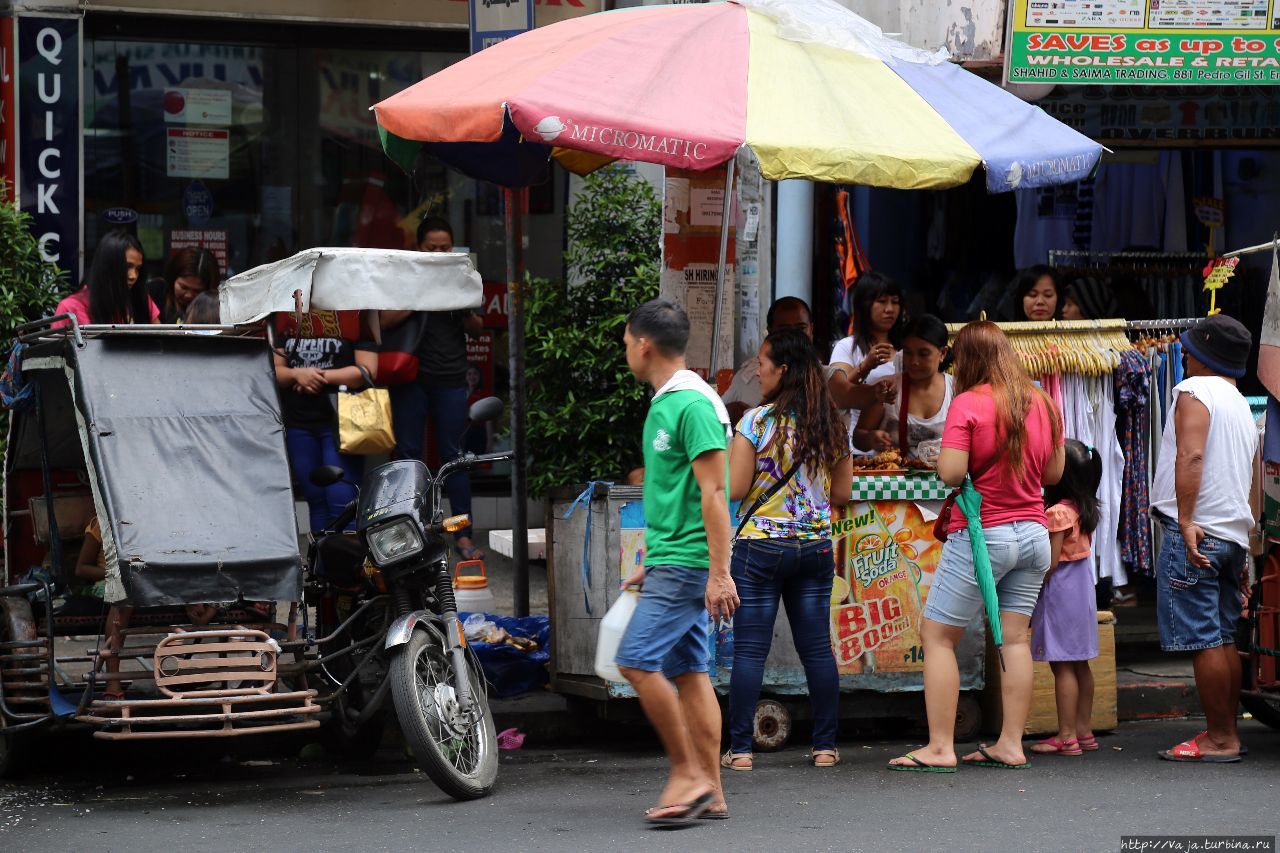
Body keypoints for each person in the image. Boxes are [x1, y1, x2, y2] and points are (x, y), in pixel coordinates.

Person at [888, 321, 1064, 772]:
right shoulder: (1042, 400)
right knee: (1015, 639)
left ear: (964, 359)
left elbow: (949, 473)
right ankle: (1010, 744)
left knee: (939, 636)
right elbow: (1053, 475)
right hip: (1034, 533)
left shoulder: (968, 402)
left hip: (984, 535)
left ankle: (941, 748)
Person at [616, 298, 738, 826]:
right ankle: (710, 790)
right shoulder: (666, 402)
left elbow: (716, 494)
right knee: (690, 673)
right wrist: (654, 559)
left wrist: (718, 572)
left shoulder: (691, 404)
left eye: (626, 343)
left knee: (635, 661)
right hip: (676, 559)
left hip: (691, 563)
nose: (626, 352)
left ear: (644, 344)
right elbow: (679, 495)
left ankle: (688, 773)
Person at [723, 329, 851, 772]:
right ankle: (826, 748)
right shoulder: (832, 425)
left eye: (763, 361)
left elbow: (736, 488)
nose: (757, 369)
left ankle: (740, 751)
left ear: (784, 369)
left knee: (749, 652)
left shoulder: (755, 423)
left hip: (759, 549)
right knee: (817, 649)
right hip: (814, 548)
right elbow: (843, 490)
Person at [1151, 315, 1256, 763]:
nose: (1185, 356)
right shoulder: (1240, 405)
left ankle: (1218, 738)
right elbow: (1248, 478)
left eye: (1191, 349)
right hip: (1231, 534)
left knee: (1205, 638)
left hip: (1199, 531)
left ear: (1204, 354)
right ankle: (1227, 734)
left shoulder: (1193, 393)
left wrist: (1188, 519)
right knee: (1224, 635)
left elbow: (1191, 454)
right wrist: (1247, 543)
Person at [382, 216, 485, 561]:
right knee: (409, 457)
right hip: (409, 376)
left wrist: (458, 301)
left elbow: (477, 327)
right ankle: (408, 531)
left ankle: (463, 534)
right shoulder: (406, 273)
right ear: (419, 248)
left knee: (453, 458)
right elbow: (383, 320)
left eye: (445, 248)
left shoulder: (463, 275)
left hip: (451, 377)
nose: (440, 253)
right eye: (432, 248)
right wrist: (421, 296)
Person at [1028, 439, 1103, 757]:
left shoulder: (1057, 513)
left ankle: (1066, 735)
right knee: (1080, 663)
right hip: (1082, 591)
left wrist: (1029, 582)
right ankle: (1084, 731)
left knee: (1062, 666)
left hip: (1061, 592)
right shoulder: (1083, 508)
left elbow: (1051, 562)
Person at [273, 310, 378, 533]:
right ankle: (321, 565)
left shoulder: (355, 311)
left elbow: (368, 369)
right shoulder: (287, 312)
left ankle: (347, 565)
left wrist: (314, 376)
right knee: (316, 500)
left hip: (343, 421)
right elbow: (276, 370)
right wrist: (296, 375)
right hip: (298, 422)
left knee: (342, 500)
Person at [853, 314, 953, 460]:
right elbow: (858, 438)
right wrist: (870, 438)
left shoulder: (957, 390)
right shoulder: (885, 389)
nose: (914, 361)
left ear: (942, 353)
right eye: (908, 353)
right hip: (892, 482)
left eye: (923, 354)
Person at [828, 272, 903, 441]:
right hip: (853, 447)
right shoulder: (847, 347)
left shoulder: (906, 350)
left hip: (897, 447)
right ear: (865, 304)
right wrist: (866, 365)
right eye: (882, 301)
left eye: (895, 302)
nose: (890, 309)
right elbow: (837, 394)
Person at [721, 296, 814, 425]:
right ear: (770, 331)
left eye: (800, 329)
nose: (794, 337)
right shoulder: (746, 378)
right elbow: (718, 414)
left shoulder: (829, 380)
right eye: (784, 330)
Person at [54, 230, 160, 327]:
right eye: (127, 266)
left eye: (138, 269)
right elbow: (58, 348)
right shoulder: (70, 310)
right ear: (107, 267)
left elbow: (160, 343)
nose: (133, 276)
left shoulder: (141, 299)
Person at [155, 247, 220, 324]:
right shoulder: (156, 294)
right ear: (172, 279)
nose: (188, 295)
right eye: (183, 287)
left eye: (197, 291)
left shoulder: (218, 308)